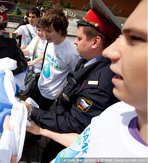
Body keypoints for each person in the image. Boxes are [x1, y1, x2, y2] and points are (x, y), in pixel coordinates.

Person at [28, 0, 147, 161]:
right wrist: (43, 131)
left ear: (95, 42)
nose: (111, 52)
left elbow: (74, 124)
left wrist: (34, 113)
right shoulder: (87, 61)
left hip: (65, 136)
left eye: (135, 40)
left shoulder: (102, 84)